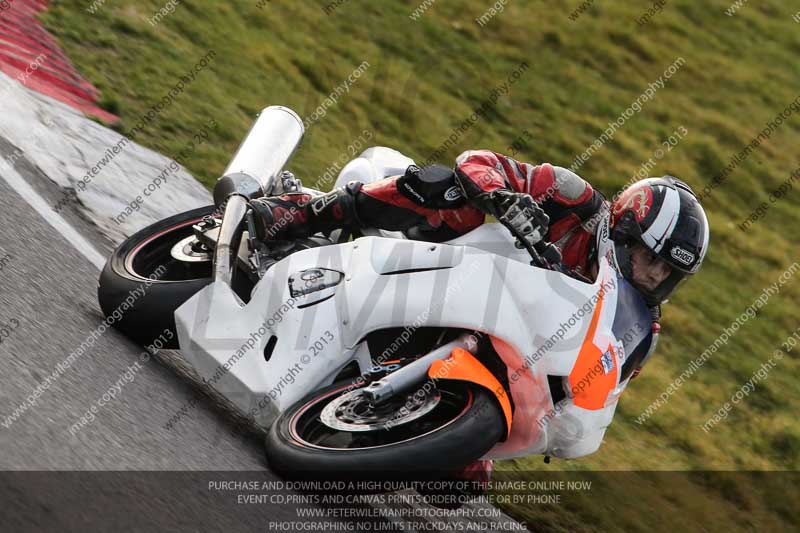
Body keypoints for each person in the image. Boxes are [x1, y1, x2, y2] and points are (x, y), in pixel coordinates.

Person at [248, 148, 710, 481]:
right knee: (443, 188)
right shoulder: (575, 201)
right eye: (651, 257)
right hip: (445, 264)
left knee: (461, 483)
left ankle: (387, 410)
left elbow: (599, 397)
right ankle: (299, 214)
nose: (654, 275)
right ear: (623, 229)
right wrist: (504, 198)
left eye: (669, 272)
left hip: (504, 361)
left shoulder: (641, 330)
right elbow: (479, 162)